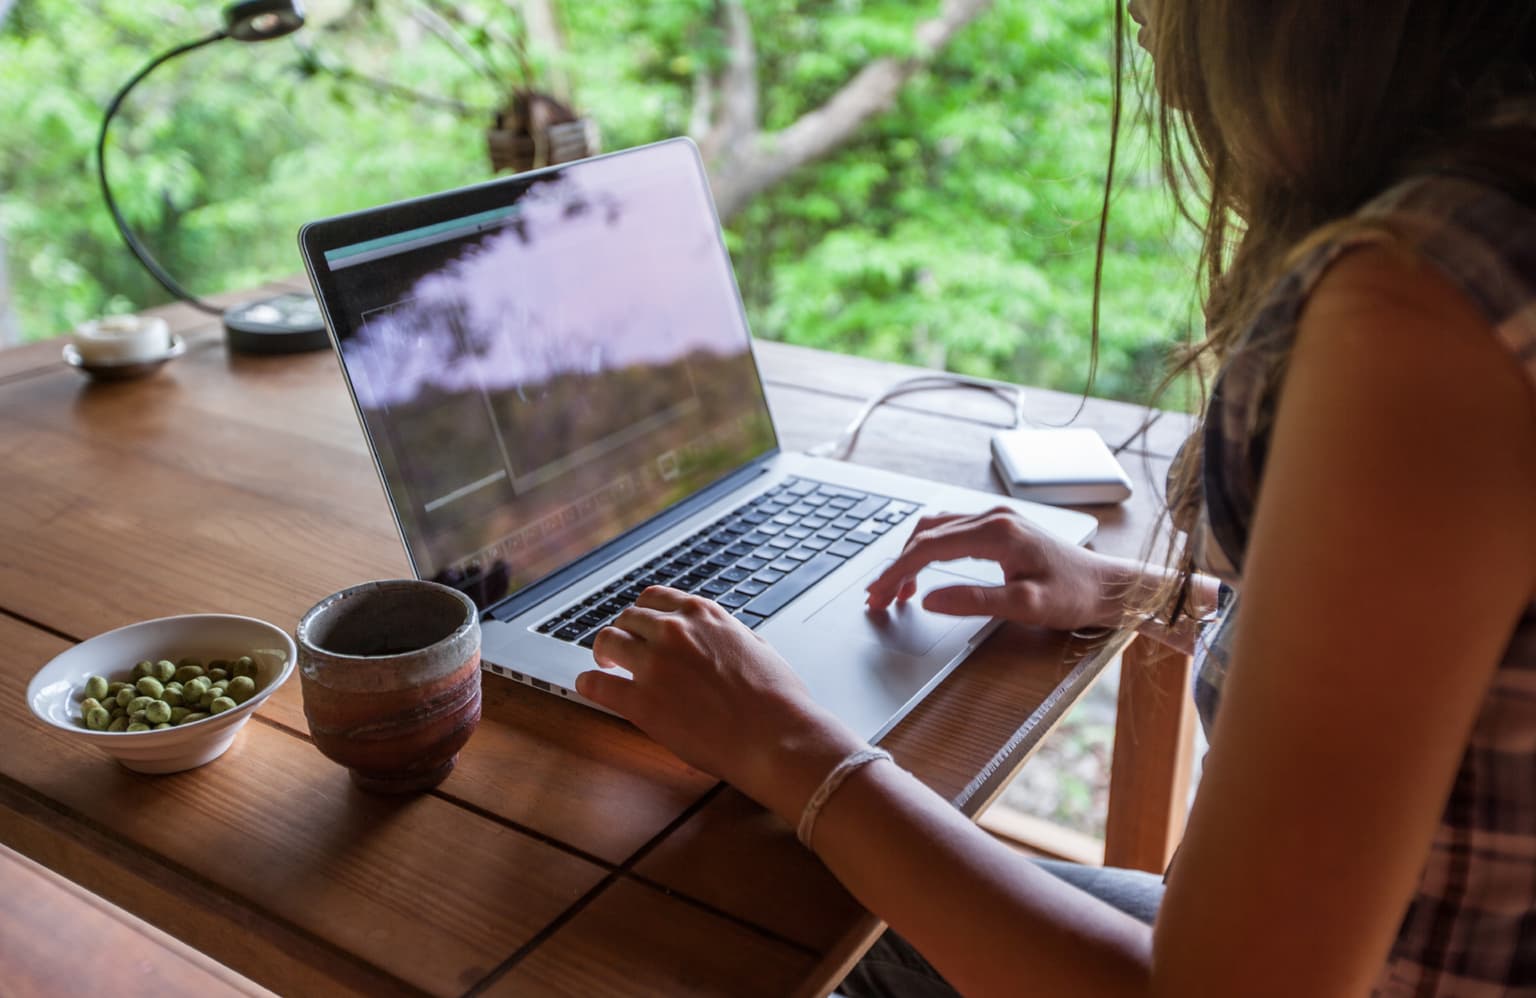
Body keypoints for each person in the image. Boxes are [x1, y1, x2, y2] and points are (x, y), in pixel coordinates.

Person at [576, 1, 1536, 993]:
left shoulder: (1422, 313)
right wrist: (1125, 593)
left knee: (760, 920)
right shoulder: (1488, 225)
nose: (1149, 27)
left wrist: (782, 739)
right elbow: (1446, 685)